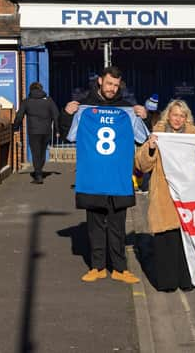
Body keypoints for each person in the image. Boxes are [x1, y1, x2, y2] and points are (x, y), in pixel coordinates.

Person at [60, 65, 147, 284]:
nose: (112, 88)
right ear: (100, 81)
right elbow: (69, 136)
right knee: (95, 226)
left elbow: (143, 138)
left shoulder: (127, 109)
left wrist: (144, 116)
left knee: (117, 227)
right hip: (93, 178)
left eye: (116, 85)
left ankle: (119, 268)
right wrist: (66, 115)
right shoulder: (84, 107)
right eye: (109, 83)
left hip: (118, 179)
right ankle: (97, 266)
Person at [135, 100, 195, 291]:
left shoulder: (194, 136)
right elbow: (141, 165)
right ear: (167, 115)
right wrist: (151, 147)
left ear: (186, 118)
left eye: (181, 115)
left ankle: (187, 280)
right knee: (165, 240)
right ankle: (167, 281)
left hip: (186, 196)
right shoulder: (157, 134)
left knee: (185, 242)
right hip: (164, 195)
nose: (177, 119)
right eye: (174, 114)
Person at [13, 82, 60, 184]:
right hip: (46, 131)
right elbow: (56, 115)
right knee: (42, 152)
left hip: (33, 131)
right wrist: (57, 130)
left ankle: (38, 175)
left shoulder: (27, 101)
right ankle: (39, 171)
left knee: (35, 152)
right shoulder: (49, 101)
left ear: (31, 90)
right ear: (41, 89)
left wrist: (15, 128)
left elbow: (19, 116)